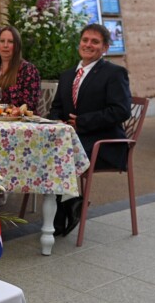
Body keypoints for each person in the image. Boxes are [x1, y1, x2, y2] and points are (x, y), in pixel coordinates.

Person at [49, 23, 131, 236]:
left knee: (59, 156)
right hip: (73, 142)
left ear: (105, 48)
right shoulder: (68, 75)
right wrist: (59, 121)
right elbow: (56, 108)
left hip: (104, 144)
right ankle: (69, 204)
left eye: (95, 42)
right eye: (85, 40)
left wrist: (82, 121)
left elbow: (121, 111)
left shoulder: (114, 73)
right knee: (46, 151)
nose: (88, 45)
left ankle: (61, 214)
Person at [0, 25, 41, 112]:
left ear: (17, 46)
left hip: (21, 123)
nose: (5, 45)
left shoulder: (28, 70)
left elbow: (30, 105)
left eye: (10, 41)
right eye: (2, 41)